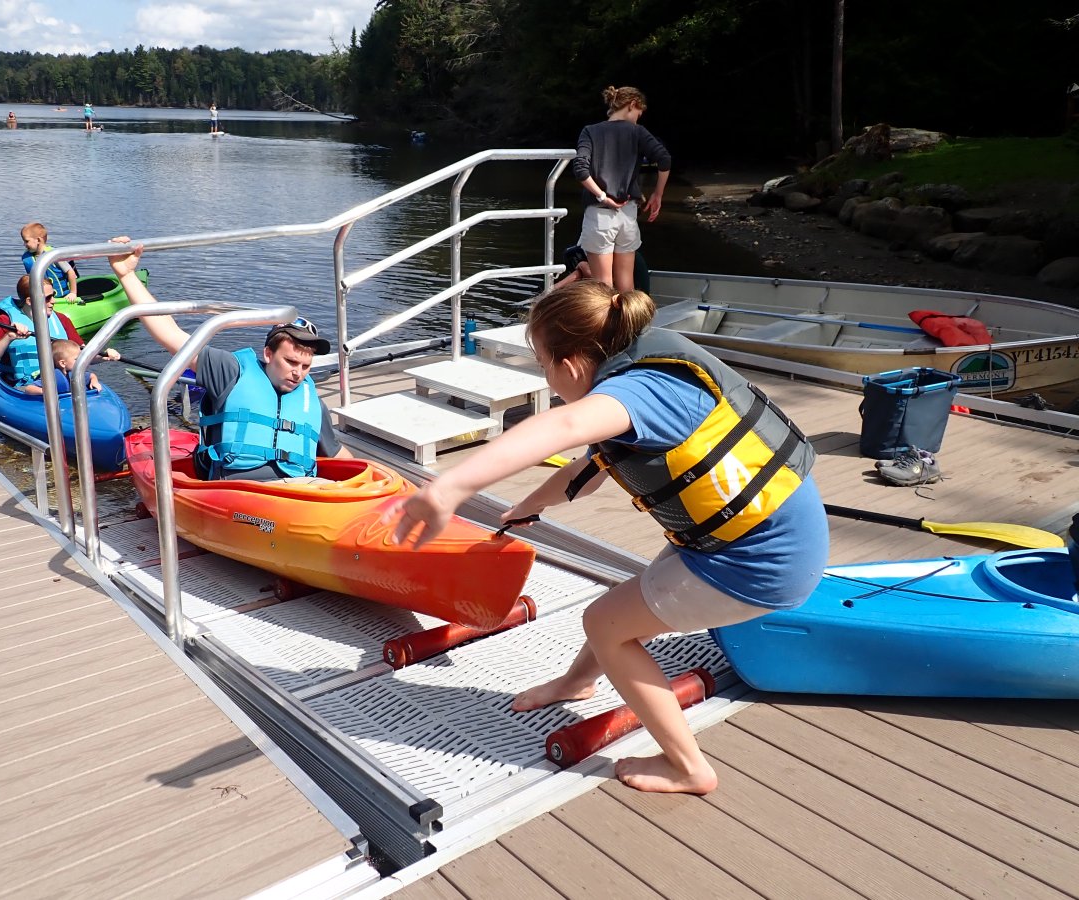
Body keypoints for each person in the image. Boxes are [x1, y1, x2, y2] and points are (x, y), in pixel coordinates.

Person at [385, 279, 828, 794]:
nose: (548, 380)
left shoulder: (632, 393)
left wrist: (451, 486)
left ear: (570, 364)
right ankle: (577, 682)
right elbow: (588, 470)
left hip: (758, 563)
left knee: (604, 622)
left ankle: (689, 768)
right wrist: (529, 506)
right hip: (769, 537)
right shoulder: (646, 370)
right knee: (622, 609)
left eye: (543, 365)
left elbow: (563, 426)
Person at [107, 237, 353, 481]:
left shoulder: (311, 402)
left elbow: (338, 454)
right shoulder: (230, 372)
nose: (298, 373)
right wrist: (127, 275)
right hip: (235, 493)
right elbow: (170, 335)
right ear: (268, 354)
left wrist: (377, 480)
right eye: (290, 362)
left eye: (305, 366)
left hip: (295, 492)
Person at [573, 85, 671, 294]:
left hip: (600, 214)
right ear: (632, 105)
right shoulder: (637, 132)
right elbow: (664, 159)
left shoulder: (590, 131)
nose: (637, 118)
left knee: (603, 287)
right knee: (626, 286)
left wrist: (601, 195)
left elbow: (580, 170)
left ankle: (608, 327)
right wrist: (658, 194)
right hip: (628, 215)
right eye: (638, 113)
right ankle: (630, 326)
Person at [0, 275, 119, 387]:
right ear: (29, 301)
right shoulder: (4, 320)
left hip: (59, 381)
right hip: (23, 386)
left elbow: (80, 355)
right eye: (48, 298)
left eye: (54, 295)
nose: (54, 301)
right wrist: (9, 337)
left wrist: (103, 357)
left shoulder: (62, 320)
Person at [20, 222, 79, 302]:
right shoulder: (28, 257)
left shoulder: (53, 255)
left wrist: (73, 293)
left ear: (38, 240)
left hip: (61, 298)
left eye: (26, 241)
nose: (24, 244)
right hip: (42, 299)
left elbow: (70, 272)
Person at [21, 340, 101, 395]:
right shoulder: (51, 377)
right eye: (77, 359)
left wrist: (94, 381)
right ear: (62, 363)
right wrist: (46, 392)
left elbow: (91, 375)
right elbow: (29, 389)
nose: (81, 361)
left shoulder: (75, 373)